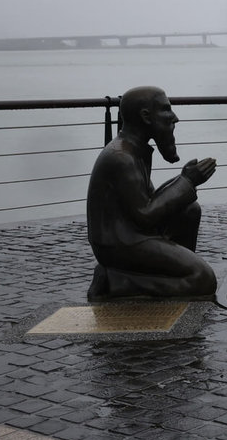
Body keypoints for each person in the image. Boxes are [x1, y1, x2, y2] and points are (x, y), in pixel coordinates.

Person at [86, 86, 218, 300]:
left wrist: (185, 180)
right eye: (166, 110)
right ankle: (118, 281)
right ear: (146, 116)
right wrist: (188, 180)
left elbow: (149, 201)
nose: (174, 117)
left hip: (133, 233)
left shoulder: (133, 150)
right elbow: (145, 215)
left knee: (189, 210)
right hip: (120, 243)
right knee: (203, 279)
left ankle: (168, 270)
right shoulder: (121, 157)